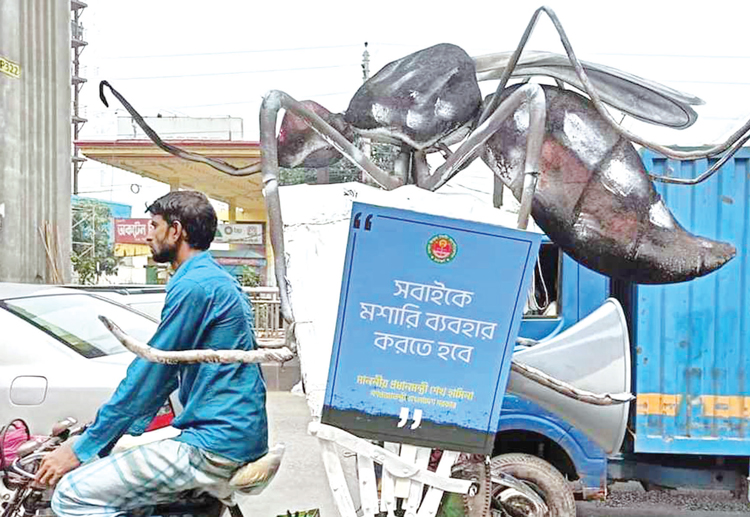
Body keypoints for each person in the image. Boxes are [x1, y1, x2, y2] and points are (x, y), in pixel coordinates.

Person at [36, 190, 268, 516]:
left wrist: (84, 446)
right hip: (234, 434)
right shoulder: (214, 280)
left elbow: (152, 371)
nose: (147, 234)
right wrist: (113, 431)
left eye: (154, 225)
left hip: (214, 442)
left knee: (72, 494)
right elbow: (168, 373)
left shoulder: (195, 286)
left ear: (176, 231)